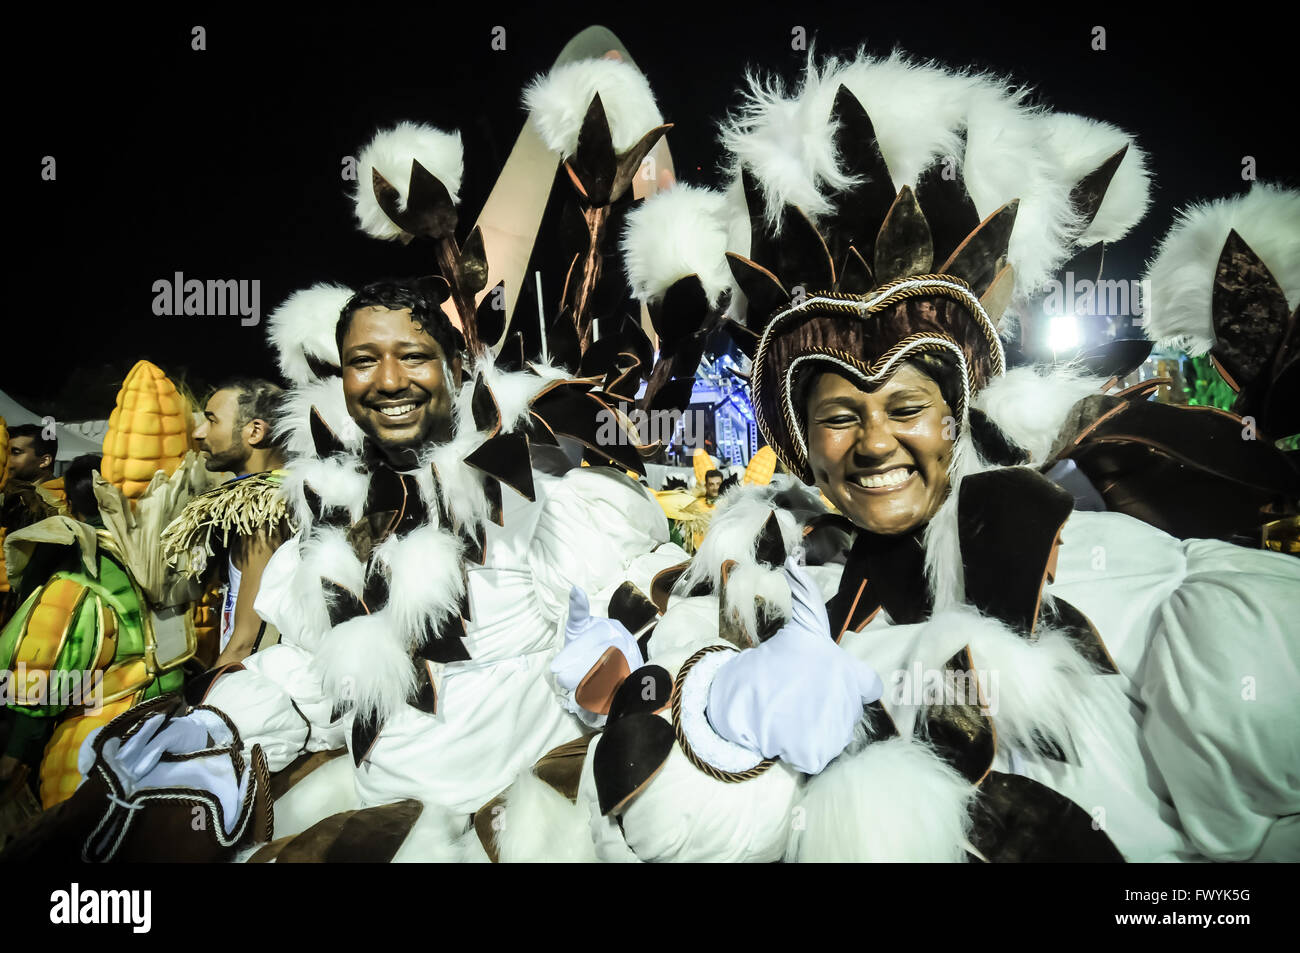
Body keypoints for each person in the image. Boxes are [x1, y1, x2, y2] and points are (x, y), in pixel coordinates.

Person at [518, 50, 1299, 863]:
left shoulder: (1115, 563)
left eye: (906, 407)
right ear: (801, 445)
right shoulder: (764, 588)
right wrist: (713, 718)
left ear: (954, 419)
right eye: (841, 415)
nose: (876, 441)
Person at [4, 276, 685, 861]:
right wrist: (216, 730)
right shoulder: (331, 517)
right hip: (376, 815)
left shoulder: (540, 498)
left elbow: (660, 615)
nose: (388, 379)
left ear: (453, 367)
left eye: (412, 355)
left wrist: (613, 661)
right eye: (363, 359)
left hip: (513, 828)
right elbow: (310, 674)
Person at [162, 379, 291, 666]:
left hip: (249, 688)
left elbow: (248, 640)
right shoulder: (278, 497)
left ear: (255, 431)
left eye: (211, 421)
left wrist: (206, 698)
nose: (198, 433)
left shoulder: (263, 513)